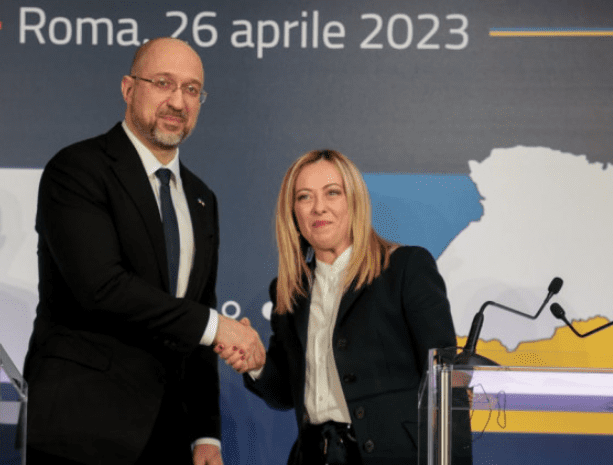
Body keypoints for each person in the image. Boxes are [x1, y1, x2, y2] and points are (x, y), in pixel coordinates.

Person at [23, 37, 265, 465]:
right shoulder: (77, 170)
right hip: (79, 431)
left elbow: (197, 314)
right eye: (163, 83)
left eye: (191, 89)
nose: (178, 101)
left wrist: (206, 433)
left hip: (167, 438)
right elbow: (101, 288)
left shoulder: (201, 199)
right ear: (128, 88)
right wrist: (217, 327)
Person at [218, 149, 470, 464]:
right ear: (293, 213)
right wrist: (257, 364)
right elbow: (284, 394)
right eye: (304, 197)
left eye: (332, 193)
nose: (318, 207)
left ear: (354, 201)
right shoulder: (290, 291)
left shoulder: (405, 268)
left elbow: (446, 382)